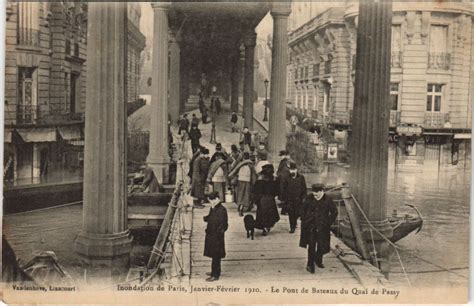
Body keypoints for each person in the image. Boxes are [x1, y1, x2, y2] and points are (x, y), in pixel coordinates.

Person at [299, 184, 338, 273]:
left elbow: (334, 212)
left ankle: (318, 260)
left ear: (321, 192)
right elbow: (302, 209)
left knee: (321, 245)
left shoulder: (328, 200)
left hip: (322, 227)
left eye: (317, 194)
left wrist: (328, 223)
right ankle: (310, 265)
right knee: (311, 246)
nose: (315, 196)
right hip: (310, 226)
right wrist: (304, 218)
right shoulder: (309, 198)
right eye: (314, 193)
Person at [203, 191, 228, 282]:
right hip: (211, 235)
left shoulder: (222, 210)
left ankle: (215, 275)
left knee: (216, 256)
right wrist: (205, 218)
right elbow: (211, 217)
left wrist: (218, 234)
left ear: (217, 199)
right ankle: (216, 271)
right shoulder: (213, 208)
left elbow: (224, 225)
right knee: (214, 255)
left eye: (213, 200)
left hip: (217, 237)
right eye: (210, 201)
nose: (211, 203)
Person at [253, 164, 280, 236]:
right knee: (270, 215)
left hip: (262, 200)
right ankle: (267, 227)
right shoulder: (274, 181)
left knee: (262, 215)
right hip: (270, 200)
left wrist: (256, 200)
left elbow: (255, 191)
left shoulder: (260, 181)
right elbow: (277, 191)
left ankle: (264, 227)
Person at [281, 162, 307, 233]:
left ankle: (294, 223)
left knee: (296, 213)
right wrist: (284, 198)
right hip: (289, 199)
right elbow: (283, 188)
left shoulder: (301, 178)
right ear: (289, 170)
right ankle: (292, 227)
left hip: (298, 199)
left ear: (296, 170)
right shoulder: (286, 178)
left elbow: (304, 189)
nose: (292, 171)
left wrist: (304, 198)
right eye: (291, 170)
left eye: (294, 169)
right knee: (291, 213)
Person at [276, 150, 292, 215]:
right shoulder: (283, 162)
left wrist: (278, 175)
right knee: (284, 196)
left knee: (285, 196)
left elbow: (284, 173)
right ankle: (284, 210)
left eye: (281, 156)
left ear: (284, 156)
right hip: (282, 181)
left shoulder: (285, 162)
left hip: (284, 181)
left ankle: (284, 210)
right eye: (280, 156)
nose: (280, 157)